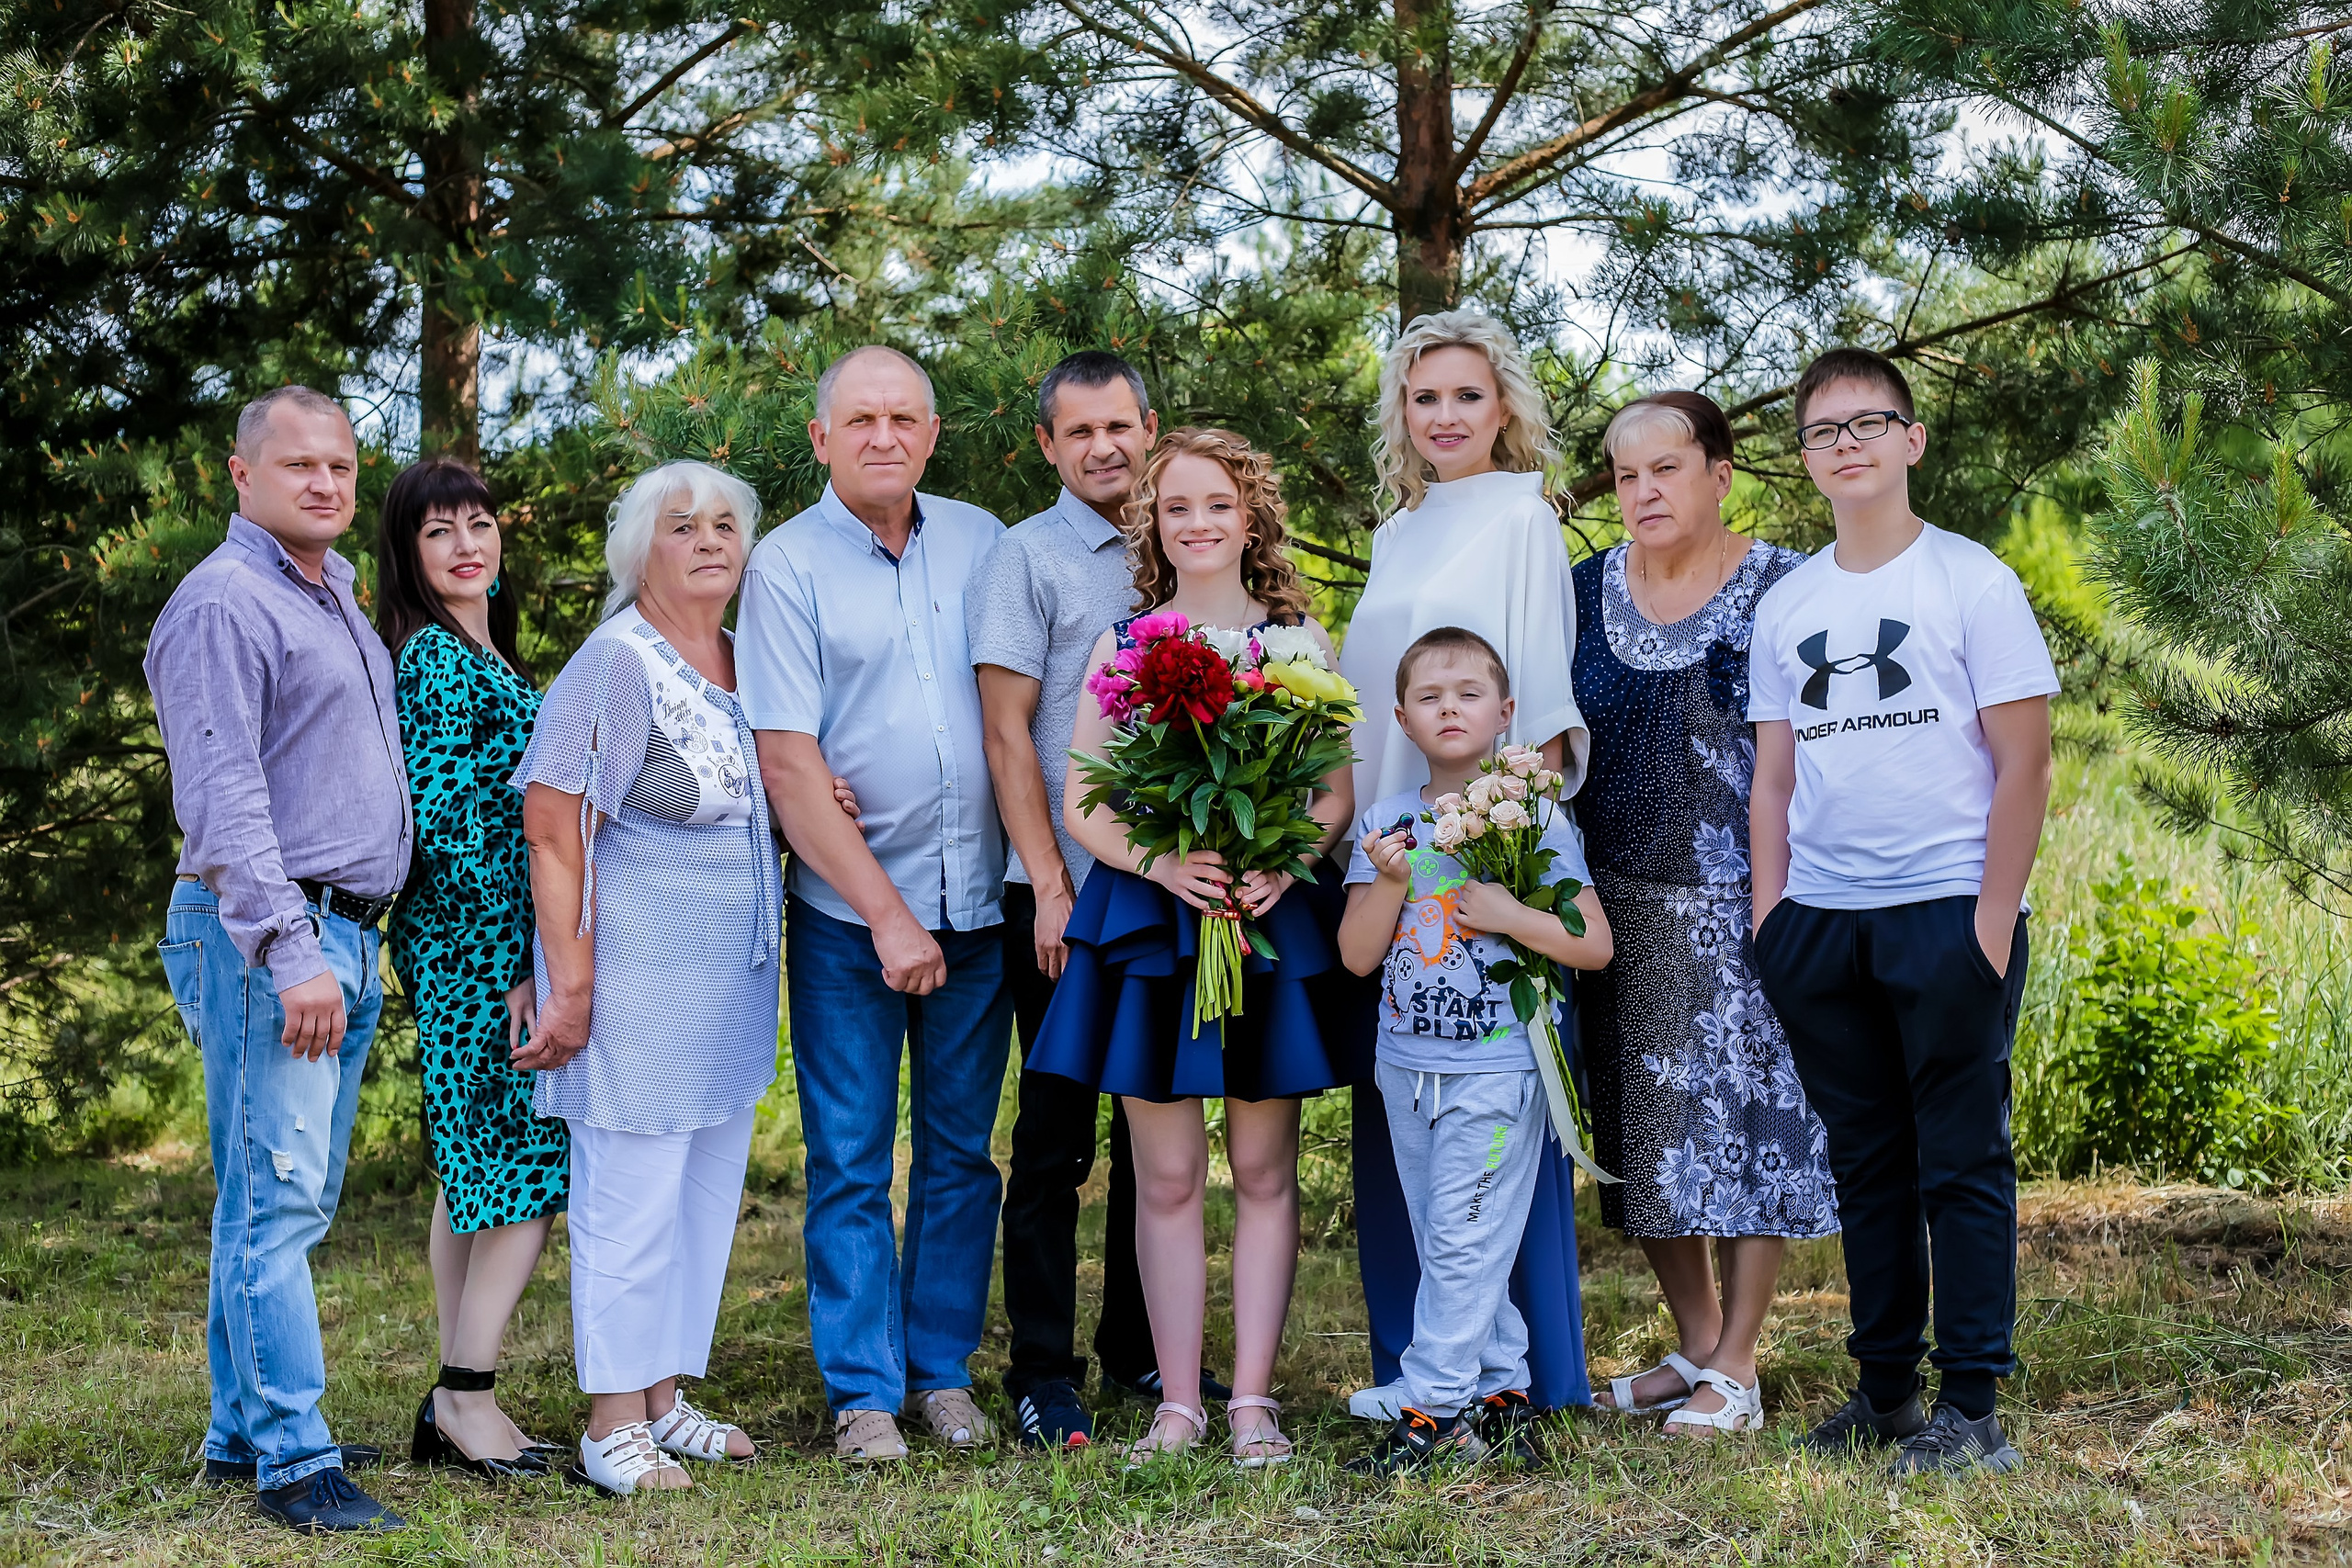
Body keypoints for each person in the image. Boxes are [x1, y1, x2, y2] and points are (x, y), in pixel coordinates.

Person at [1747, 347, 2056, 1473]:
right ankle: (1884, 1393)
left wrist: (1988, 922)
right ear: (1806, 459)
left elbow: (2024, 764)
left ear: (1912, 441)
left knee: (1960, 1160)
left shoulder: (1970, 580)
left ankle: (1971, 1408)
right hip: (1821, 924)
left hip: (1945, 911)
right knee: (1865, 1163)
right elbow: (1773, 779)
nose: (1846, 443)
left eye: (1869, 423)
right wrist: (1772, 919)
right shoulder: (1789, 604)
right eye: (1824, 431)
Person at [1028, 427, 1355, 1466]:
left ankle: (1251, 1399)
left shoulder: (1299, 642)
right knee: (1164, 1178)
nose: (1198, 523)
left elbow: (1333, 793)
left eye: (1218, 503)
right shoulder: (1126, 644)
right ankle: (1179, 1401)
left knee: (1263, 1171)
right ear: (1152, 525)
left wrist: (1282, 859)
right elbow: (1081, 799)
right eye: (1176, 508)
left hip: (1266, 917)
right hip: (1153, 920)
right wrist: (1161, 865)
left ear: (1250, 514)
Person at [738, 344, 1013, 1464]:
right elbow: (790, 764)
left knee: (960, 1154)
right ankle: (861, 1392)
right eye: (859, 419)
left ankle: (939, 1374)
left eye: (903, 417)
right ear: (821, 439)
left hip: (980, 906)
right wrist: (890, 914)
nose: (883, 436)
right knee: (849, 1156)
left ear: (933, 433)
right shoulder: (783, 565)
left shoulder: (984, 541)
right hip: (850, 921)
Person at [146, 386, 412, 1533]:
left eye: (343, 468)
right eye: (299, 465)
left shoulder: (334, 594)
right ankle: (295, 1463)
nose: (326, 485)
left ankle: (236, 1432)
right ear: (241, 476)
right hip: (273, 933)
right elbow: (224, 799)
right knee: (278, 1207)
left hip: (338, 931)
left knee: (273, 1197)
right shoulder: (224, 602)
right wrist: (292, 948)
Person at [1334, 310, 1592, 1417]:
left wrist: (1495, 844)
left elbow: (1534, 694)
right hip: (1387, 856)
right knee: (1412, 1123)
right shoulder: (1399, 529)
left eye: (1466, 397)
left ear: (1504, 411)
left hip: (1476, 856)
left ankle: (1492, 1386)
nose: (1444, 416)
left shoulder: (1523, 517)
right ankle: (1454, 1371)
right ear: (1403, 411)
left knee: (1486, 1128)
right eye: (1423, 397)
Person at [1571, 392, 1838, 1438]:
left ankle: (1740, 1360)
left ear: (1720, 473)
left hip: (1745, 902)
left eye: (1665, 470)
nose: (1642, 492)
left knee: (1747, 1134)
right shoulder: (1582, 588)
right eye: (1625, 475)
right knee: (1645, 1144)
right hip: (1614, 908)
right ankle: (1693, 1341)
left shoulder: (1785, 587)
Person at [514, 460, 782, 1495]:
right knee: (629, 1192)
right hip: (636, 977)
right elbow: (553, 821)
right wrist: (571, 983)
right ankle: (609, 1420)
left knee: (700, 1192)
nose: (710, 539)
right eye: (683, 526)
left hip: (726, 983)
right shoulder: (618, 660)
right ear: (641, 551)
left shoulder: (738, 654)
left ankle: (663, 1399)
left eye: (725, 523)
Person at [1336, 627, 1615, 1473]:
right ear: (1401, 719)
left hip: (1498, 1066)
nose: (1449, 707)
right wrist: (1389, 879)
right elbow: (1355, 954)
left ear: (1505, 712)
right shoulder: (1386, 823)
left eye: (1466, 693)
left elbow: (1592, 942)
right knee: (1451, 1238)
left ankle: (1429, 1406)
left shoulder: (1534, 818)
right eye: (1429, 696)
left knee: (1462, 1237)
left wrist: (1508, 915)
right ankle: (1499, 1393)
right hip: (1406, 1064)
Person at [967, 350, 1176, 1450]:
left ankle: (1140, 1347)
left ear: (1149, 426)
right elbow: (1007, 734)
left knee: (1161, 1139)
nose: (1103, 447)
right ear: (1047, 446)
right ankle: (1044, 1372)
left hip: (1170, 899)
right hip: (1059, 897)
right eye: (1078, 432)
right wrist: (1048, 881)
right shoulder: (1027, 558)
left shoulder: (1187, 538)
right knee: (1053, 1145)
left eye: (1118, 427)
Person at [373, 458, 567, 1479]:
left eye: (479, 524)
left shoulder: (481, 656)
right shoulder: (437, 661)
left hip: (470, 942)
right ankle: (468, 1392)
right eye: (438, 531)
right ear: (409, 555)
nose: (465, 545)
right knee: (526, 1173)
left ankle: (452, 1396)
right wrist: (525, 959)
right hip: (477, 945)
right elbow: (452, 824)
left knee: (469, 1176)